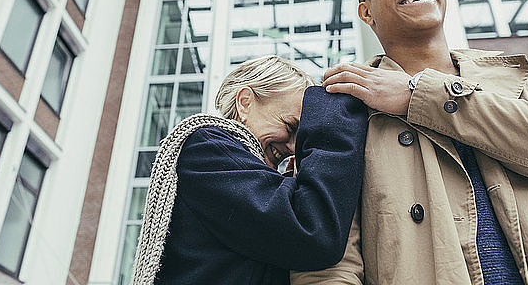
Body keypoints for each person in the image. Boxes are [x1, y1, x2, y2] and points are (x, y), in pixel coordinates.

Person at [291, 0, 528, 285]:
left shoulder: (524, 75)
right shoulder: (341, 108)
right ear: (366, 13)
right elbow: (329, 261)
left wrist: (417, 95)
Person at [131, 55, 368, 285]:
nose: (295, 147)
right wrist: (333, 121)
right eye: (291, 126)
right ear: (245, 103)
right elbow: (312, 230)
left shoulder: (243, 172)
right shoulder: (207, 149)